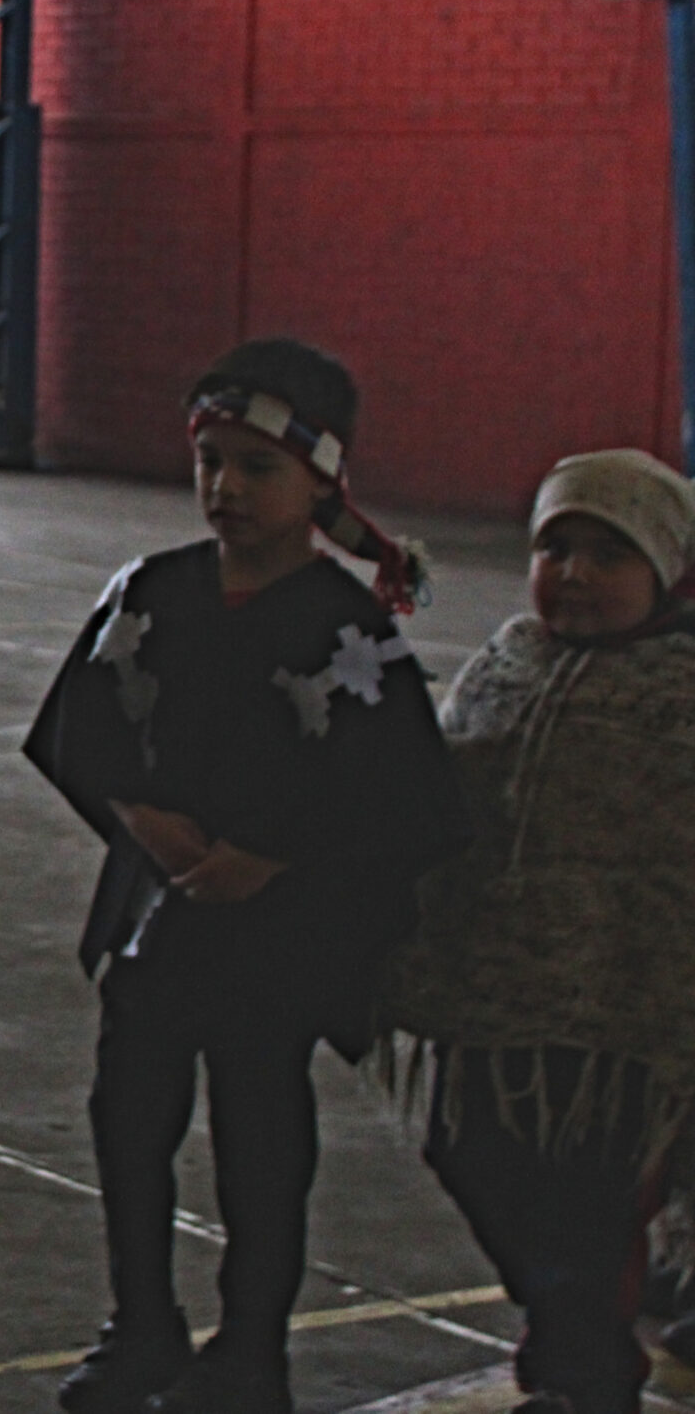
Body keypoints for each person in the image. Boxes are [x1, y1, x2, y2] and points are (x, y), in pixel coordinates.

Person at [24, 338, 466, 1414]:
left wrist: (270, 856)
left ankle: (250, 1349)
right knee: (130, 1120)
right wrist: (142, 818)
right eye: (209, 462)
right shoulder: (151, 593)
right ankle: (140, 1324)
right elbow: (84, 726)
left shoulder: (346, 627)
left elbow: (399, 793)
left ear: (321, 482)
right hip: (157, 918)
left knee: (259, 1135)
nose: (225, 487)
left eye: (257, 467)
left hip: (273, 937)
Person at [384, 448, 695, 1414]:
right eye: (556, 549)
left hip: (628, 1019)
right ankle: (575, 1324)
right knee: (466, 1152)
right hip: (493, 997)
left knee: (592, 1203)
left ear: (668, 568)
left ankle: (583, 1375)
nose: (576, 574)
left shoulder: (683, 689)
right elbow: (445, 793)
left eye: (610, 553)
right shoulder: (508, 661)